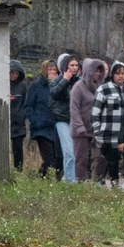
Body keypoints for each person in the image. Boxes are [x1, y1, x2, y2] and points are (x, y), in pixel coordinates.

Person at [92, 61, 124, 186]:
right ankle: (114, 184)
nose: (120, 76)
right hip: (109, 134)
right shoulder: (103, 90)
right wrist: (97, 133)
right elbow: (95, 114)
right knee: (112, 162)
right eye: (117, 73)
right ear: (112, 75)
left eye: (123, 73)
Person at [70, 58, 108, 182]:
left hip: (96, 129)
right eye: (95, 71)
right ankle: (81, 185)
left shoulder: (101, 88)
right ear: (88, 71)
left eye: (99, 71)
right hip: (80, 131)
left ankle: (97, 182)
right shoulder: (78, 87)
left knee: (101, 157)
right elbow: (74, 109)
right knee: (81, 159)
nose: (98, 73)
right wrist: (80, 127)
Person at [24, 59, 61, 178]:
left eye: (54, 69)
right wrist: (36, 121)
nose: (52, 72)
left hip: (55, 127)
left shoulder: (60, 86)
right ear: (44, 70)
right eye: (49, 69)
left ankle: (42, 176)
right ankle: (44, 176)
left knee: (57, 157)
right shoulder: (36, 86)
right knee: (49, 157)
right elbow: (28, 106)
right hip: (41, 128)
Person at [49, 54, 81, 182]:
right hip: (62, 120)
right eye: (71, 65)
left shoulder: (79, 82)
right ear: (65, 67)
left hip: (77, 121)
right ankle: (70, 181)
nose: (74, 68)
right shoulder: (58, 80)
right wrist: (65, 80)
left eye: (76, 66)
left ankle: (74, 179)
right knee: (69, 153)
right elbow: (54, 94)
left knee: (77, 153)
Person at [9, 60, 29, 171]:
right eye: (12, 73)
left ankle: (18, 171)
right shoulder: (3, 84)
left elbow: (26, 103)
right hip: (6, 120)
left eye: (16, 73)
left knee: (18, 150)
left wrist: (22, 116)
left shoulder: (22, 86)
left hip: (18, 122)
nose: (14, 75)